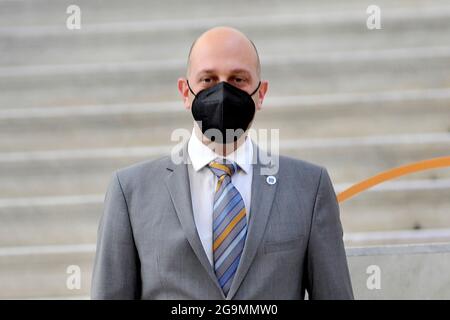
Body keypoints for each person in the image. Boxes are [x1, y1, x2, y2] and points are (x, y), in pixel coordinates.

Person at [91, 26, 354, 300]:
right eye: (208, 79)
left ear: (260, 94)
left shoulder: (309, 187)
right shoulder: (131, 191)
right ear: (185, 91)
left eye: (238, 79)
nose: (223, 91)